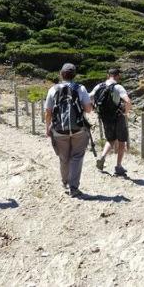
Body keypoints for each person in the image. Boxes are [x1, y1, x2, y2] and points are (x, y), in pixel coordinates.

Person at [44, 63, 93, 197]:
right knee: (77, 157)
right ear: (74, 75)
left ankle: (65, 182)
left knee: (63, 157)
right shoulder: (80, 88)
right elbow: (88, 109)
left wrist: (47, 127)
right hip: (78, 128)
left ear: (61, 74)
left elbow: (48, 112)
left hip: (59, 129)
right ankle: (74, 187)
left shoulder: (53, 89)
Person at [90, 68, 132, 176]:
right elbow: (127, 101)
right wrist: (126, 113)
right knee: (122, 141)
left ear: (108, 75)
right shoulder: (118, 87)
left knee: (110, 139)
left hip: (105, 117)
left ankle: (102, 157)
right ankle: (118, 166)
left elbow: (90, 96)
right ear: (118, 76)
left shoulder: (99, 86)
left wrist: (93, 108)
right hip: (118, 117)